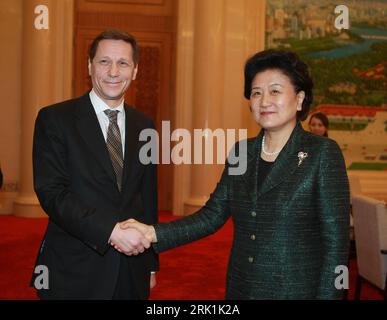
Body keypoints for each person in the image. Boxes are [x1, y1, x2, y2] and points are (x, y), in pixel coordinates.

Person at [116, 50, 350, 299]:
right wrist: (151, 233)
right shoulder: (242, 151)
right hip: (241, 288)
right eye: (256, 92)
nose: (264, 101)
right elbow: (212, 215)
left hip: (296, 292)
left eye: (275, 91)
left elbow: (337, 244)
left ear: (300, 99)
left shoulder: (322, 153)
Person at [31, 29, 158, 300]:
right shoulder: (55, 119)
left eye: (123, 63)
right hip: (74, 268)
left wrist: (150, 265)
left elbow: (147, 196)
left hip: (130, 269)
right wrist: (110, 232)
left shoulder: (145, 125)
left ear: (135, 70)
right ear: (89, 66)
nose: (113, 71)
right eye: (104, 61)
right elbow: (52, 193)